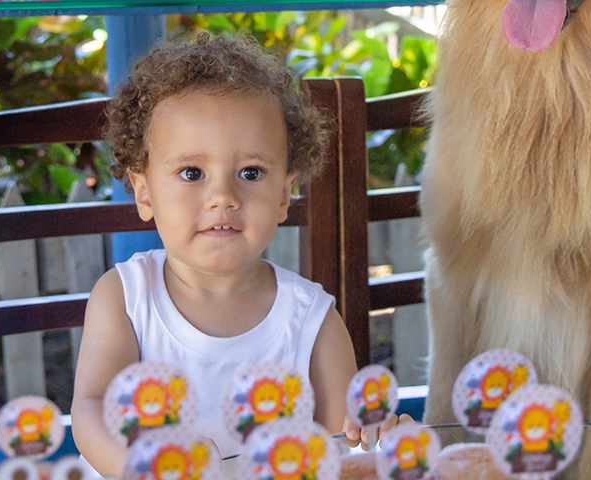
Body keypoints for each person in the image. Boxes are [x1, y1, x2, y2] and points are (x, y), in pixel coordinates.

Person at [71, 33, 406, 477]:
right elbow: (91, 411)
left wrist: (377, 438)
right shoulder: (126, 299)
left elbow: (342, 447)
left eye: (251, 172)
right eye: (192, 173)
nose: (223, 196)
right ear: (144, 191)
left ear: (284, 194)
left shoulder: (311, 320)